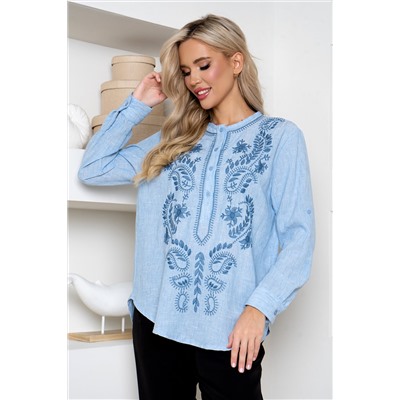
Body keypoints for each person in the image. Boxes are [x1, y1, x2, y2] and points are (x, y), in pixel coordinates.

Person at [78, 14, 315, 400]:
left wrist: (259, 309)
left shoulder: (280, 139)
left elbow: (299, 239)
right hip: (157, 321)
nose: (194, 80)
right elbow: (93, 168)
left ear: (236, 62)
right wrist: (138, 104)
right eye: (186, 71)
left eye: (204, 66)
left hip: (231, 328)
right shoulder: (173, 140)